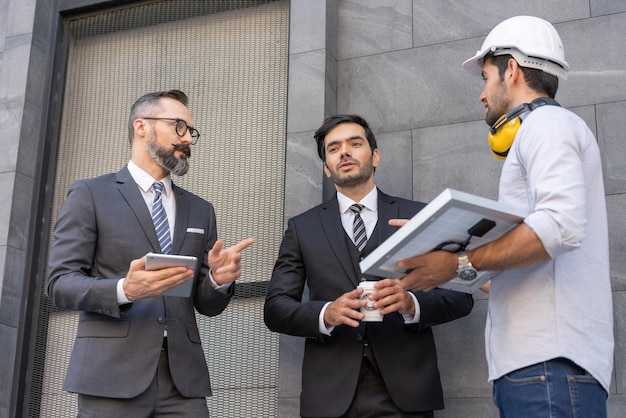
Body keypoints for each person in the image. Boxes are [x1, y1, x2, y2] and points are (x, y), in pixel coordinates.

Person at [394, 16, 614, 417]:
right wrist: (436, 251)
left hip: (547, 366)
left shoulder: (546, 124)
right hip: (539, 367)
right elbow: (521, 272)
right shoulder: (547, 130)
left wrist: (457, 262)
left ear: (510, 69)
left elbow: (560, 225)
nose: (482, 94)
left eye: (485, 77)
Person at [47, 89, 255, 417]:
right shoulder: (91, 194)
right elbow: (60, 284)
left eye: (190, 131)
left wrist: (217, 279)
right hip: (110, 377)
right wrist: (124, 290)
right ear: (141, 126)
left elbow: (206, 305)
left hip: (183, 382)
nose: (187, 139)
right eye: (178, 126)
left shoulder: (201, 210)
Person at [264, 114, 474, 418]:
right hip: (329, 395)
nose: (344, 152)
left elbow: (462, 296)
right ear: (326, 168)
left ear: (374, 156)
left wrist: (411, 304)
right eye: (333, 149)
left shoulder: (418, 215)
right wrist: (326, 313)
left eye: (355, 143)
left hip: (407, 393)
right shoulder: (302, 228)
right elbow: (276, 308)